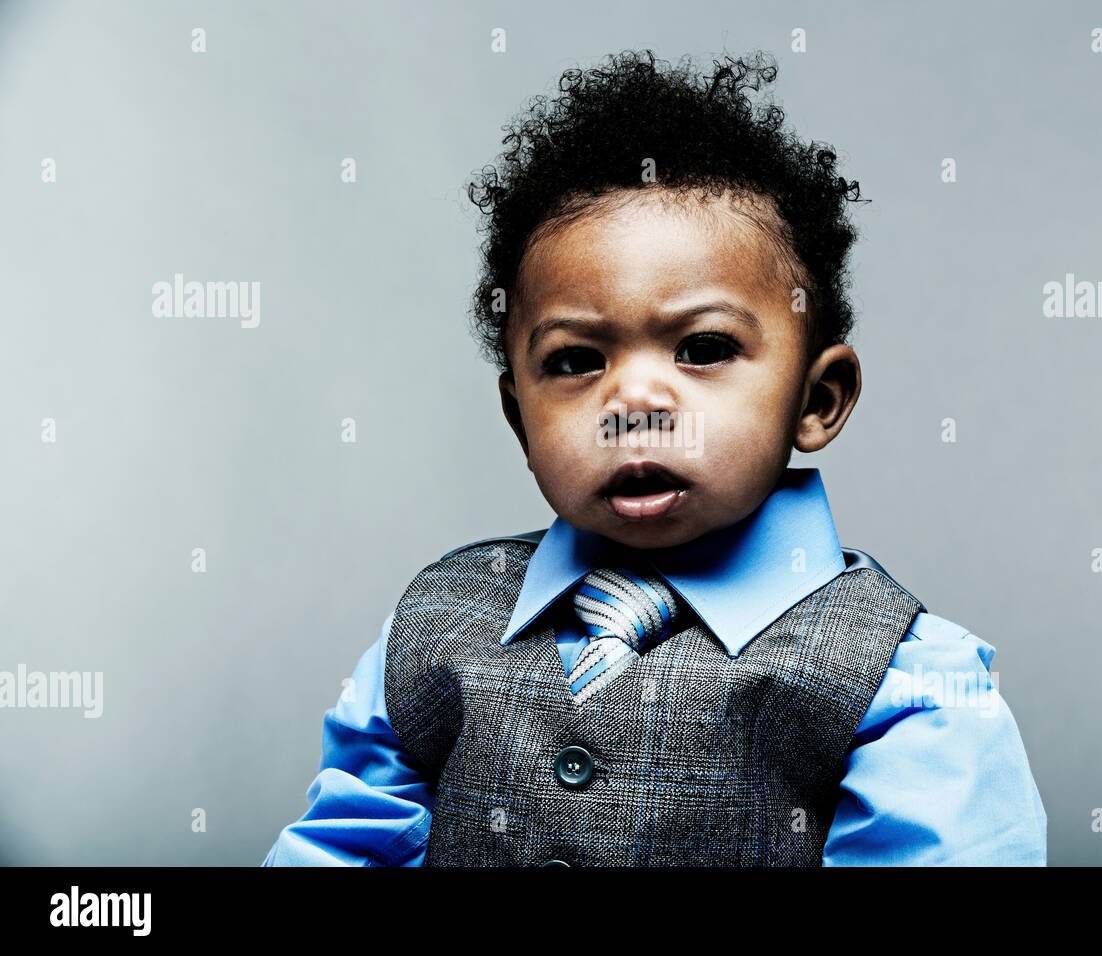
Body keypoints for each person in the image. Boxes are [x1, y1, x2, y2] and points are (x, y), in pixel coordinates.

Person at [263, 49, 1046, 866]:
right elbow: (342, 848)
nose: (634, 402)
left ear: (817, 401)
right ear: (517, 417)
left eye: (703, 348)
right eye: (574, 361)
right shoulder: (434, 627)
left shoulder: (905, 682)